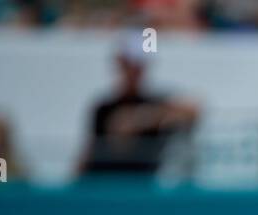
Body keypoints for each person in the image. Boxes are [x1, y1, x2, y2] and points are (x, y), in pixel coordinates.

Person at [77, 34, 201, 177]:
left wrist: (141, 119)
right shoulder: (103, 107)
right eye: (129, 64)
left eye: (137, 65)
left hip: (141, 186)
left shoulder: (155, 102)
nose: (133, 71)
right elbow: (104, 144)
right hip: (106, 183)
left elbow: (193, 109)